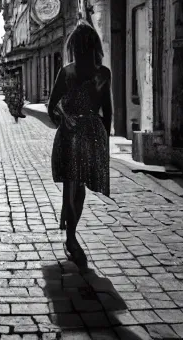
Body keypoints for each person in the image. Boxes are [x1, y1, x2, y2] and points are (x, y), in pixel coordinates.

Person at [48, 21, 112, 270]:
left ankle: (71, 235)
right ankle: (71, 235)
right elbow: (108, 111)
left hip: (69, 134)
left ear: (74, 47)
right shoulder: (103, 73)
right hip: (92, 135)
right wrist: (103, 141)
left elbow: (52, 106)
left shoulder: (67, 73)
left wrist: (64, 118)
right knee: (80, 187)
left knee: (71, 185)